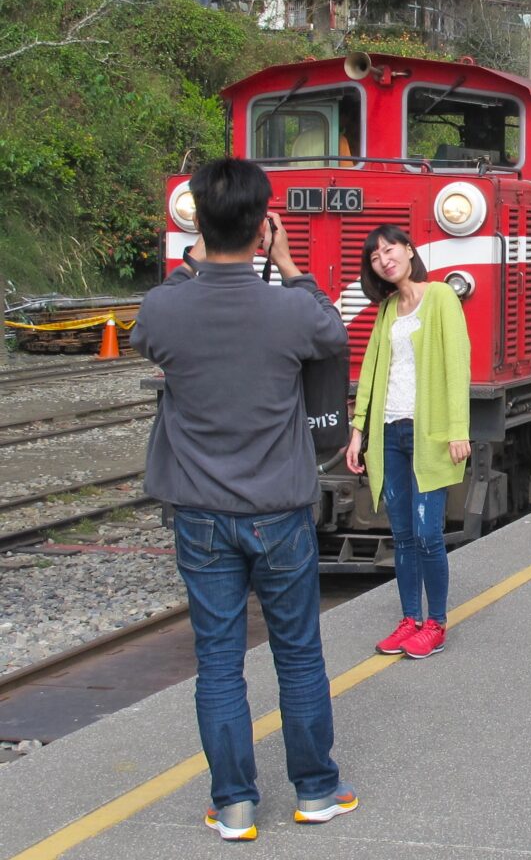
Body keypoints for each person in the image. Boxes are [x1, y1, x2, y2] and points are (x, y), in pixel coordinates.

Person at [131, 159, 357, 842]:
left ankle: (233, 805)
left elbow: (154, 324)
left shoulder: (165, 306)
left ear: (198, 224)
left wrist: (198, 261)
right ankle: (315, 791)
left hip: (200, 517)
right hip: (280, 514)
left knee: (219, 662)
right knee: (298, 655)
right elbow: (332, 329)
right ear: (264, 227)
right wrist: (287, 262)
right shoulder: (289, 308)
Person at [346, 225, 470, 659]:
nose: (383, 258)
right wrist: (358, 430)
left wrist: (459, 429)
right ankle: (409, 619)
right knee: (401, 535)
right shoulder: (387, 310)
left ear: (409, 250)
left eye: (389, 248)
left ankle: (435, 623)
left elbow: (457, 363)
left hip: (427, 433)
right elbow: (371, 372)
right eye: (375, 255)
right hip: (389, 432)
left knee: (427, 534)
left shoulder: (440, 297)